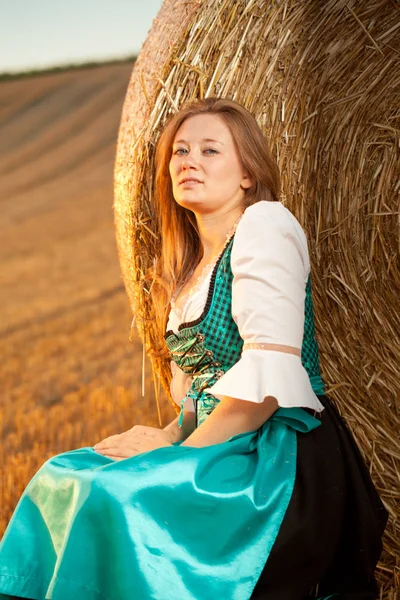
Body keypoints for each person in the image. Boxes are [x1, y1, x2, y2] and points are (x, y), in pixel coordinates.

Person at [0, 97, 388, 600]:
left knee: (114, 497)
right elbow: (198, 390)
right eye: (180, 151)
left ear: (248, 172)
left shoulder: (264, 226)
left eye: (210, 150)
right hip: (215, 441)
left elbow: (264, 392)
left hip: (270, 456)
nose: (189, 161)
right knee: (63, 476)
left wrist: (172, 453)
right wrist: (167, 432)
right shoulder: (190, 268)